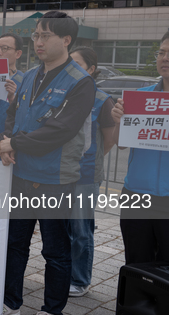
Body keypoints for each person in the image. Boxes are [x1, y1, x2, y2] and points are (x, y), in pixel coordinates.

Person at [0, 11, 95, 315]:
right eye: (36, 35)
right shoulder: (28, 76)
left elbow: (61, 130)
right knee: (15, 244)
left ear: (65, 40)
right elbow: (14, 114)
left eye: (45, 35)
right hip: (22, 173)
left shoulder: (81, 82)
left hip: (55, 178)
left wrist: (15, 143)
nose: (38, 41)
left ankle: (52, 309)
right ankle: (10, 301)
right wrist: (6, 141)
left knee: (55, 251)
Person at [111, 32, 169, 265]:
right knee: (136, 264)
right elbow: (122, 143)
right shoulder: (140, 98)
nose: (165, 58)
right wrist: (118, 121)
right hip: (136, 196)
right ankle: (138, 303)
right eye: (162, 53)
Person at [67, 46, 115, 297]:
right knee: (61, 227)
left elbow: (109, 140)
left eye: (77, 64)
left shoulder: (102, 99)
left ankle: (80, 279)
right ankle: (63, 273)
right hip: (60, 173)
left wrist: (89, 162)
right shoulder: (64, 94)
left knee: (81, 229)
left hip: (85, 176)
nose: (71, 68)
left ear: (91, 69)